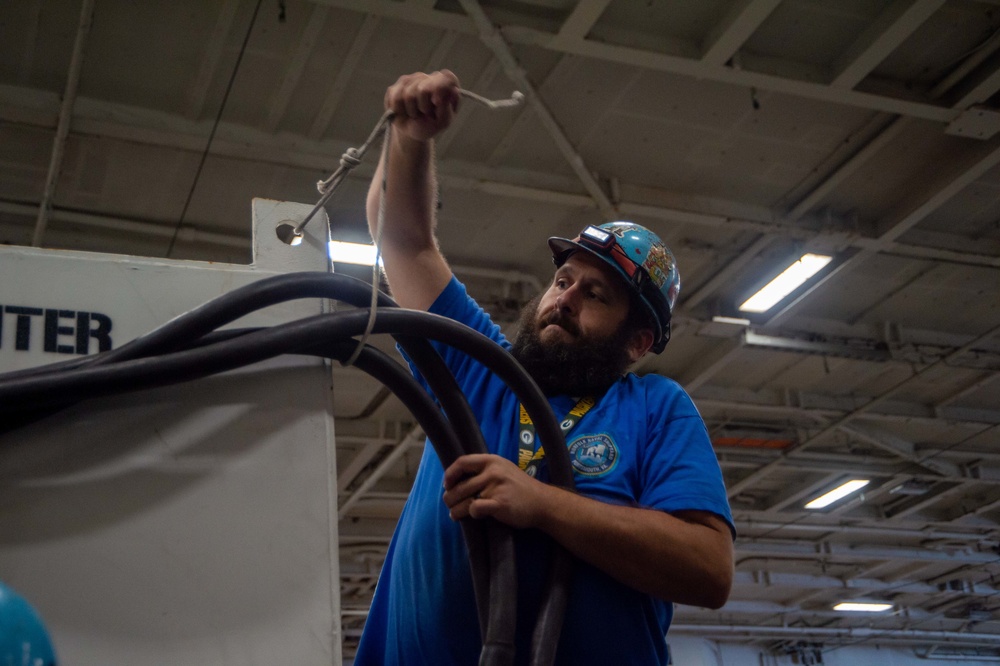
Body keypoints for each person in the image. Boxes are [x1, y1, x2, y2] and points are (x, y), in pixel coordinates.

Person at [353, 70, 734, 666]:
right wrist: (411, 139)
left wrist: (543, 503)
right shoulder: (480, 366)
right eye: (563, 280)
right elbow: (403, 241)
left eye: (596, 294)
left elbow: (709, 570)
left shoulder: (655, 408)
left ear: (636, 342)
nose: (566, 298)